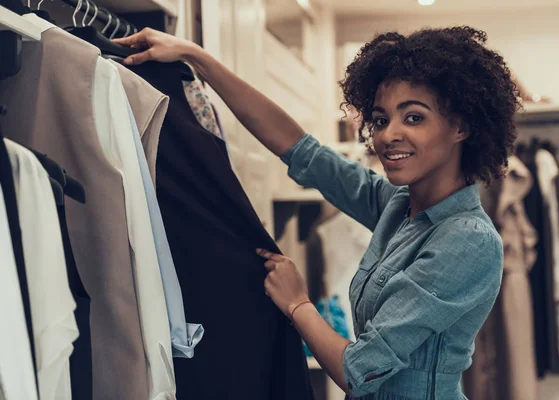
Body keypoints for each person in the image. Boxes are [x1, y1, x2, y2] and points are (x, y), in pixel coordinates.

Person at [115, 25, 518, 399]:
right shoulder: (399, 208)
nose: (388, 135)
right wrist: (197, 57)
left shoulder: (466, 239)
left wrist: (297, 303)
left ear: (462, 126)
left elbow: (358, 371)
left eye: (413, 117)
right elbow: (298, 148)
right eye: (380, 119)